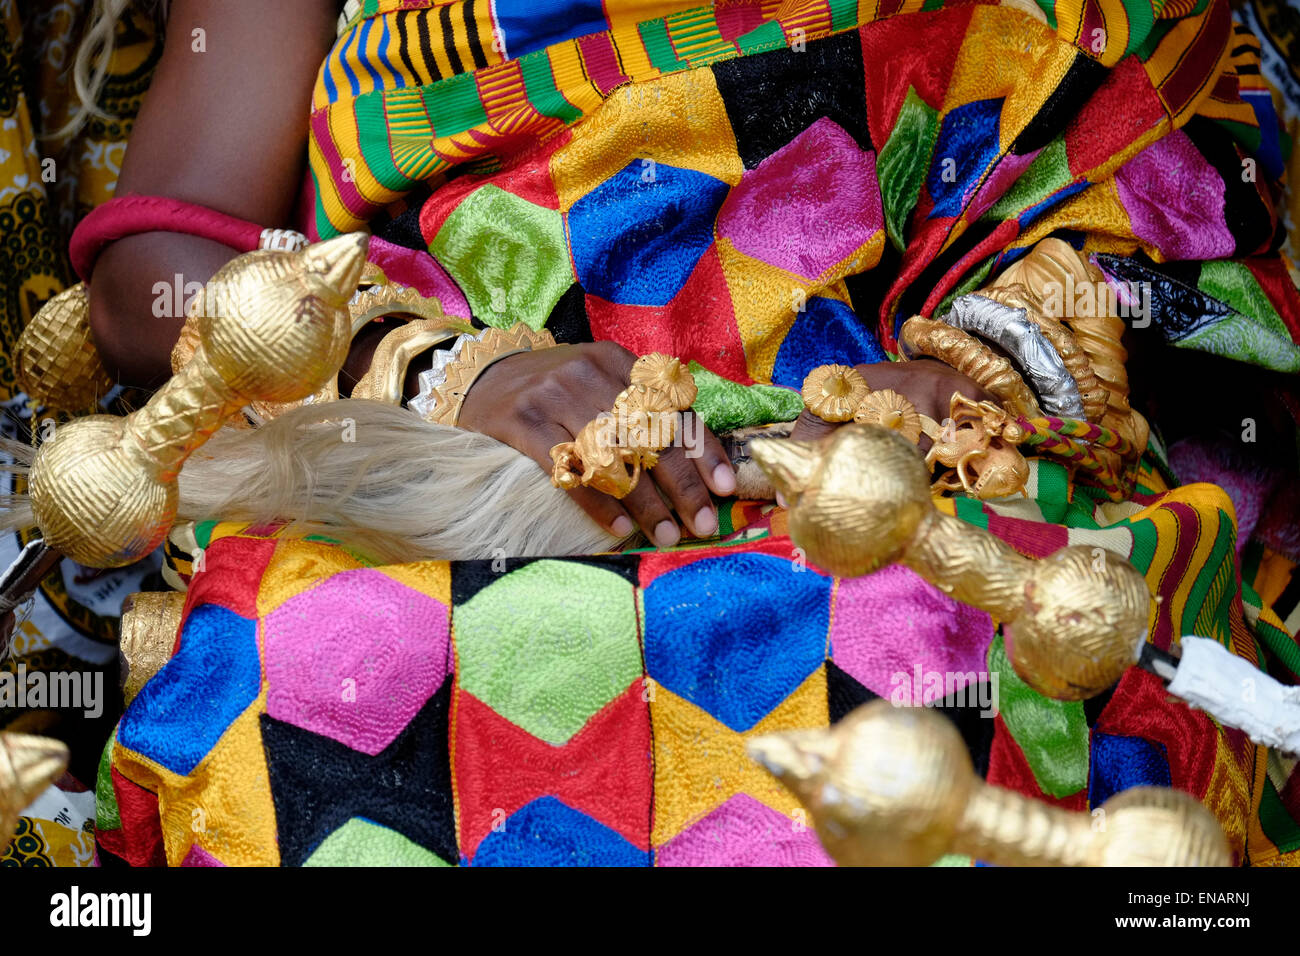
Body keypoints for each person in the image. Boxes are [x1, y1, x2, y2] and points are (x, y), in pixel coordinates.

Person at [18, 0, 1300, 866]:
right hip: (435, 457)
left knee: (918, 654)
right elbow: (152, 277)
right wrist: (442, 374)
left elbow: (1160, 165)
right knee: (306, 677)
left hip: (930, 446)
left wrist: (964, 369)